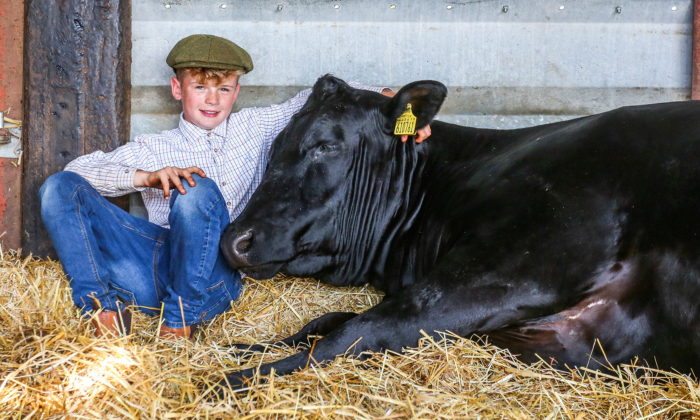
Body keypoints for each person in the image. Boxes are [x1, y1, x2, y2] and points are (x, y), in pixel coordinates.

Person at [39, 34, 431, 340]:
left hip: (212, 279)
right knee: (59, 186)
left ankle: (179, 325)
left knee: (196, 190)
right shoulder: (154, 146)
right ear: (178, 89)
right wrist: (147, 177)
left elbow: (323, 94)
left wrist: (394, 101)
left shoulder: (256, 127)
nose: (212, 100)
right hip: (149, 270)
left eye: (223, 89)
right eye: (200, 88)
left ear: (236, 92)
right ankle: (101, 310)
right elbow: (80, 172)